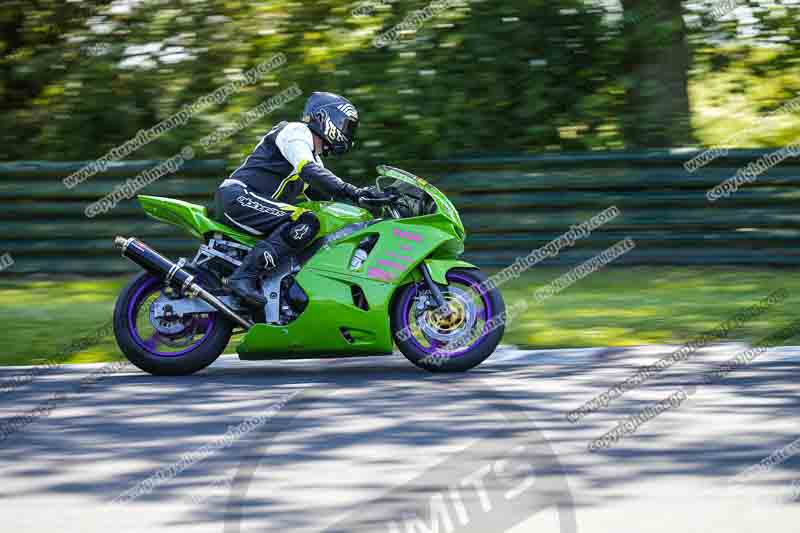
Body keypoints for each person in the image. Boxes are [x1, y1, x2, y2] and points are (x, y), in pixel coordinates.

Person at [215, 91, 387, 307]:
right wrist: (352, 190)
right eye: (346, 125)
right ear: (325, 118)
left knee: (317, 222)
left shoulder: (312, 156)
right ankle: (244, 277)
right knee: (306, 220)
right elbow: (309, 171)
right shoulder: (296, 131)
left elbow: (326, 196)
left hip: (250, 203)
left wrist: (367, 201)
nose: (347, 132)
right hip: (238, 196)